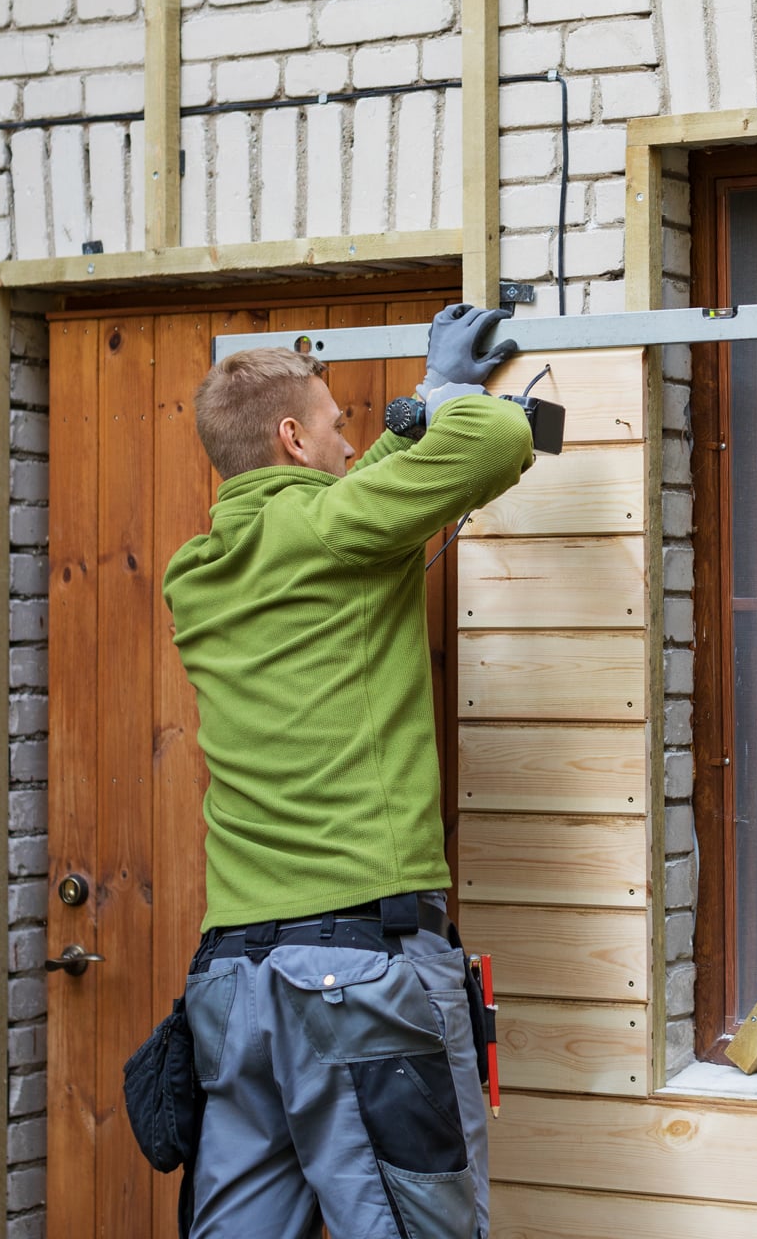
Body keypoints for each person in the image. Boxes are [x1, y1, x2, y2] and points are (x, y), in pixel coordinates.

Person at [162, 304, 534, 1238]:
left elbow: (342, 510)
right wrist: (449, 396)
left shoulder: (196, 570)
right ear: (292, 438)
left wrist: (410, 412)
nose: (351, 441)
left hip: (235, 988)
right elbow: (494, 439)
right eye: (337, 426)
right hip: (356, 981)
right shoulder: (336, 534)